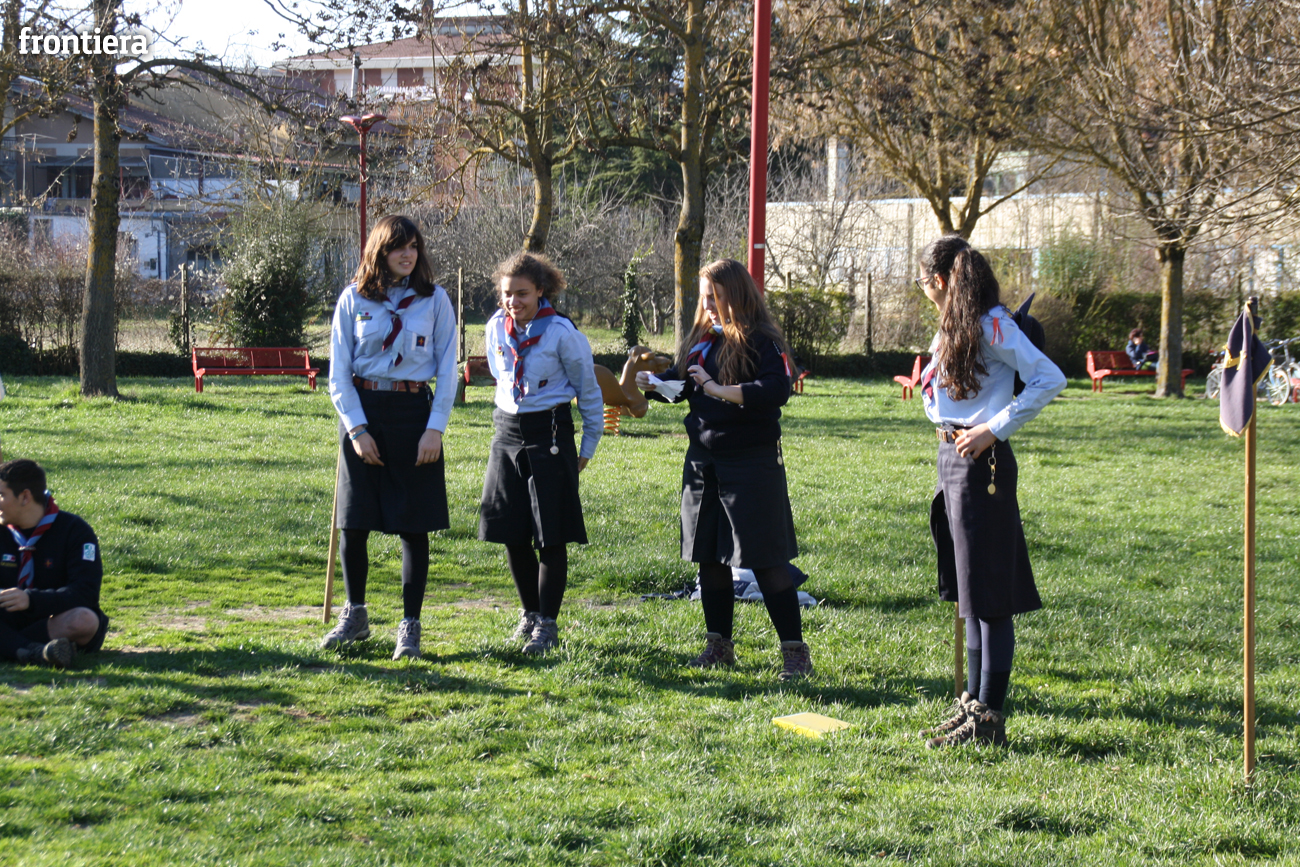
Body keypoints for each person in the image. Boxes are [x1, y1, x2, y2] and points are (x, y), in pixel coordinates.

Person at [915, 235, 1066, 747]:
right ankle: (973, 707)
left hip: (982, 462)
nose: (924, 290)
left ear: (939, 281)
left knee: (991, 598)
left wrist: (993, 429)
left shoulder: (991, 324)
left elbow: (1049, 378)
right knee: (971, 594)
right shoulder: (956, 323)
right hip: (953, 458)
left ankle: (989, 720)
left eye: (923, 282)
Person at [637, 259, 812, 681]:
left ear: (738, 295)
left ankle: (795, 654)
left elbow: (775, 390)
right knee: (709, 555)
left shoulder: (762, 340)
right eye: (705, 298)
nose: (710, 306)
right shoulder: (703, 340)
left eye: (717, 297)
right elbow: (683, 384)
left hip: (751, 462)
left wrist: (719, 389)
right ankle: (719, 646)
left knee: (765, 559)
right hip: (703, 462)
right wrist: (654, 384)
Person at [322, 215, 457, 660]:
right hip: (363, 411)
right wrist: (357, 430)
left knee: (413, 524)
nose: (408, 254)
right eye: (399, 246)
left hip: (413, 413)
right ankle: (355, 615)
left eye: (414, 246)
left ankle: (410, 626)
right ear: (379, 251)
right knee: (354, 520)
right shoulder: (353, 299)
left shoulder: (435, 300)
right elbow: (338, 373)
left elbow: (448, 369)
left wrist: (435, 428)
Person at [480, 252, 602, 655]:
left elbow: (588, 391)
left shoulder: (562, 333)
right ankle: (530, 614)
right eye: (507, 294)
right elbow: (500, 375)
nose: (513, 302)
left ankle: (548, 624)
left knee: (551, 534)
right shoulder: (496, 327)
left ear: (541, 291)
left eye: (522, 294)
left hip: (549, 432)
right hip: (506, 431)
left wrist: (587, 446)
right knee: (512, 532)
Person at [0, 459, 109, 668]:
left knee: (85, 620)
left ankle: (12, 646)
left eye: (1, 495)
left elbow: (85, 592)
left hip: (51, 622)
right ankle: (35, 652)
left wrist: (31, 600)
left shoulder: (74, 530)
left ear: (25, 497)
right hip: (6, 620)